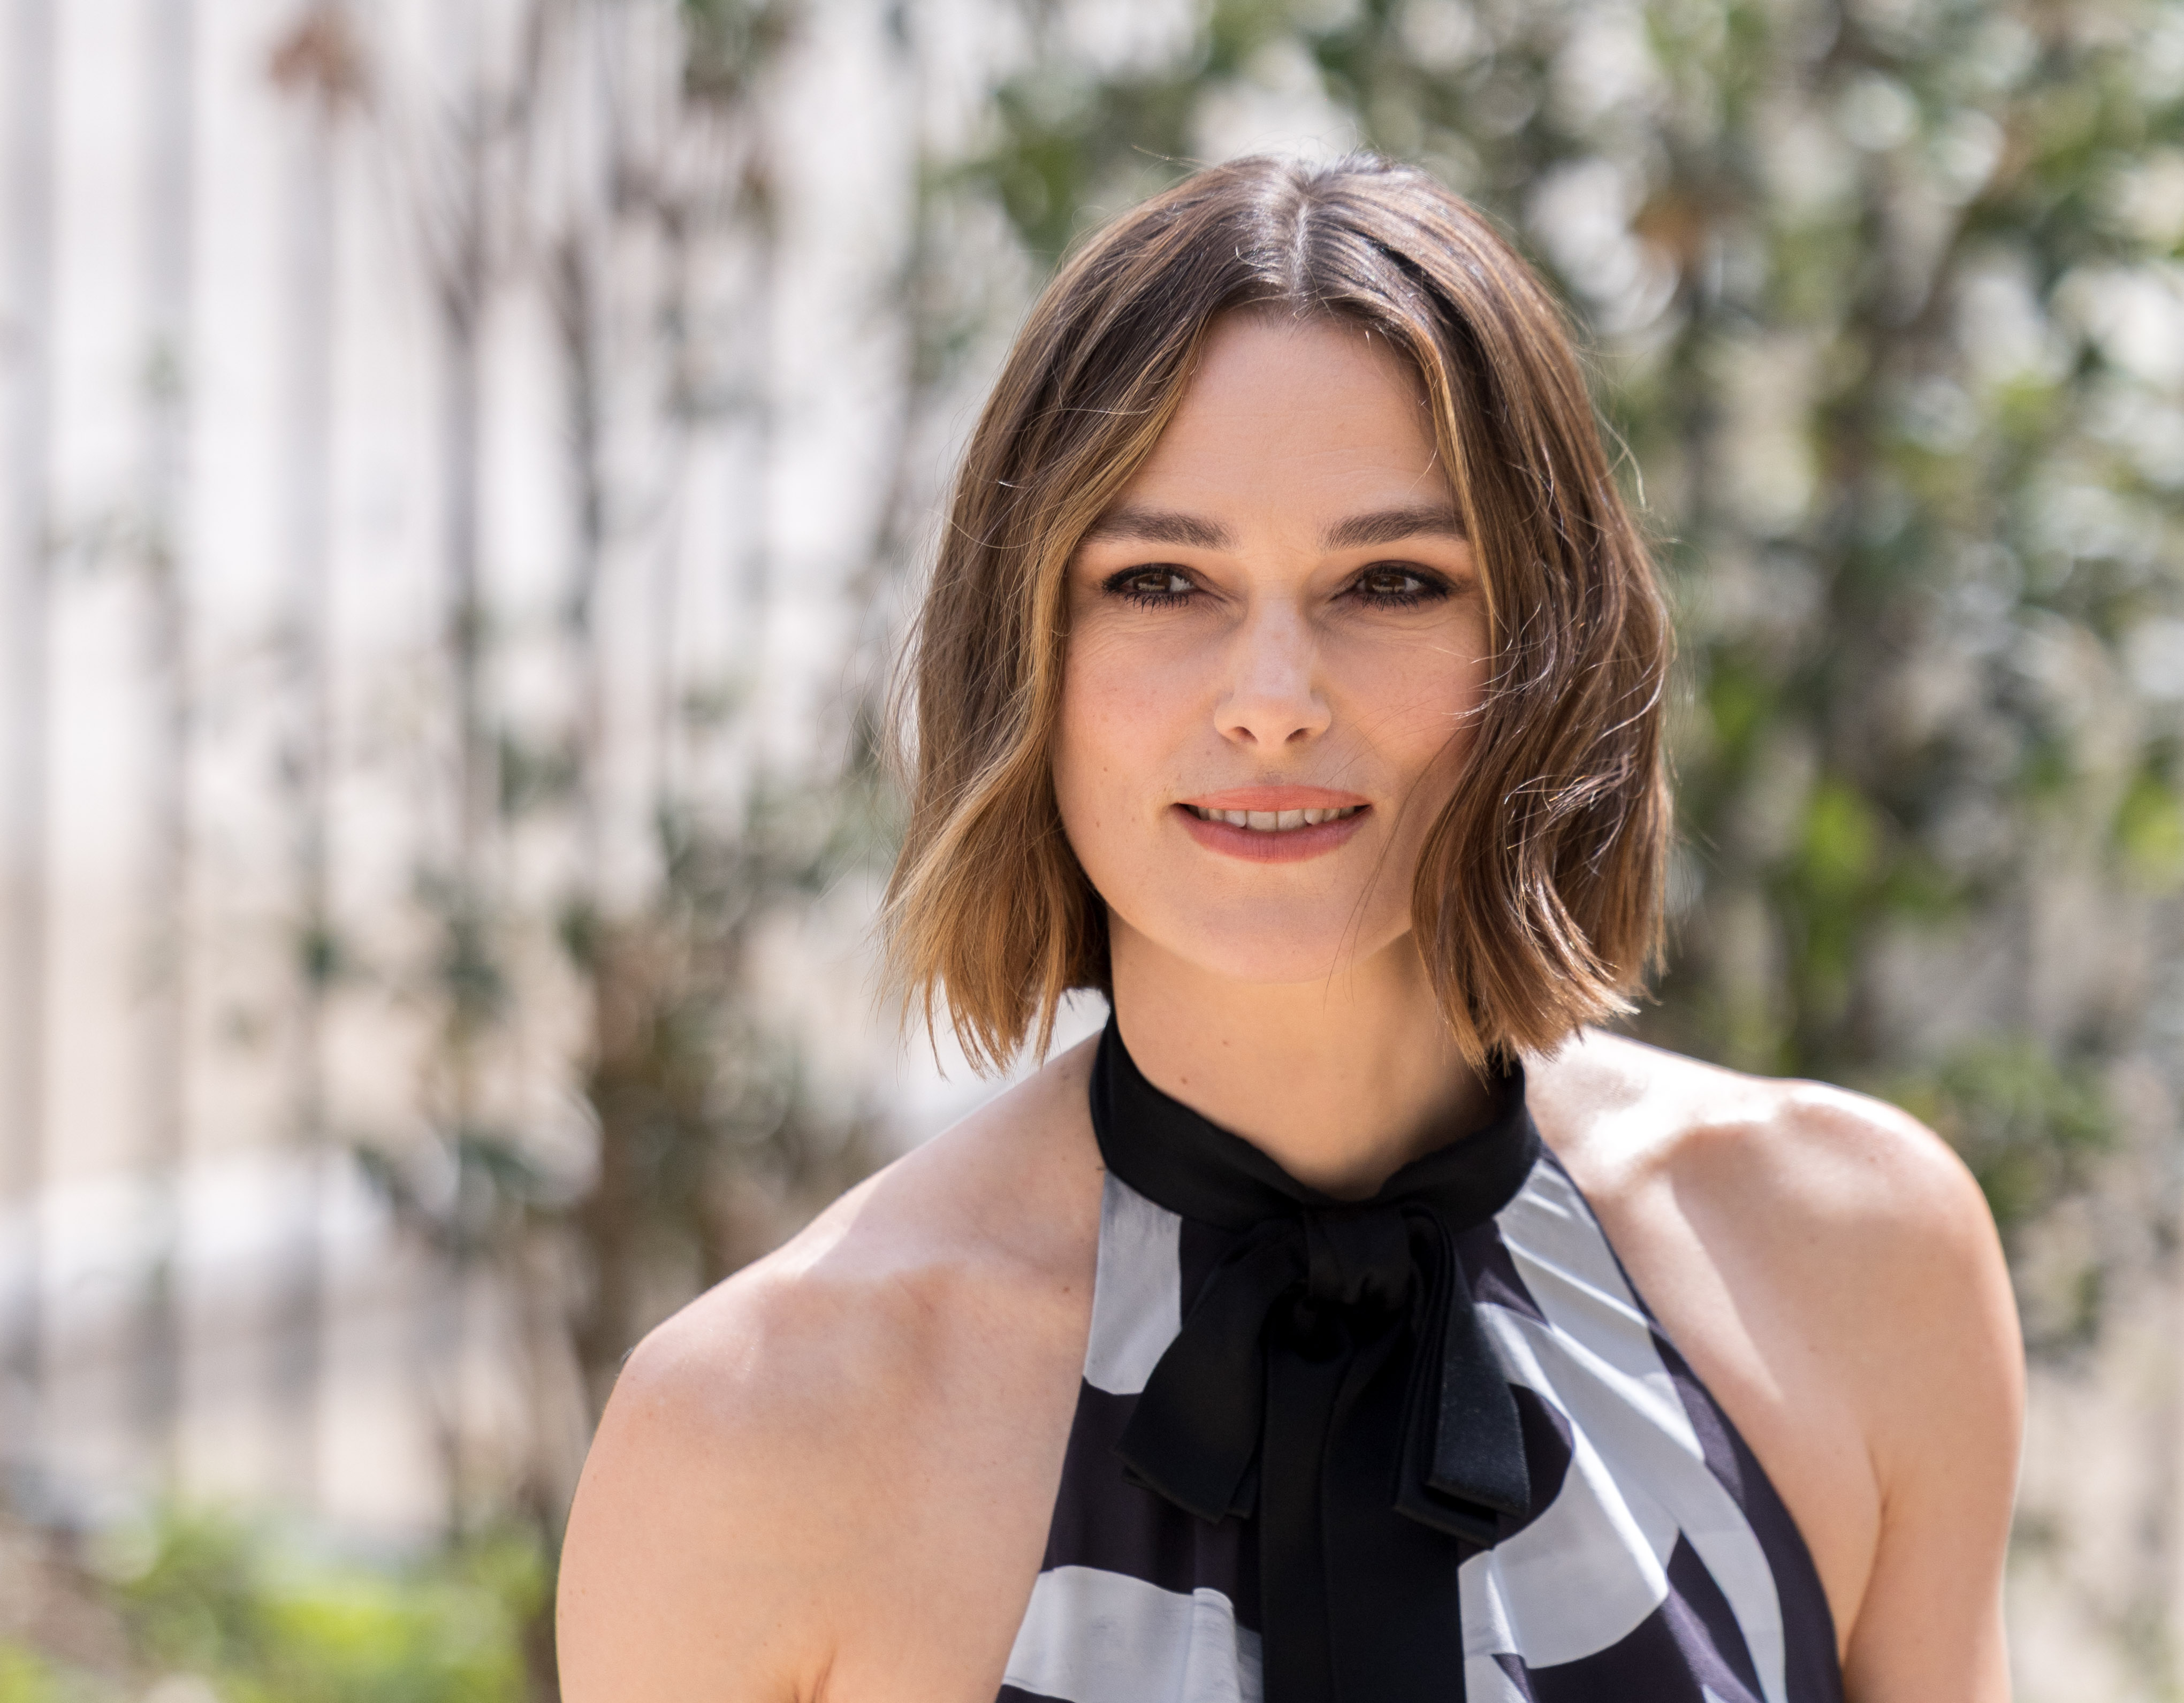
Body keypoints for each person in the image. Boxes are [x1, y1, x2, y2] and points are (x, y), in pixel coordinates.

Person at [555, 154, 2023, 1703]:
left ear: (1550, 643)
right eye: (1161, 579)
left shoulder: (1853, 1259)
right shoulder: (758, 1428)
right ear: (1025, 655)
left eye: (1391, 580)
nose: (1271, 701)